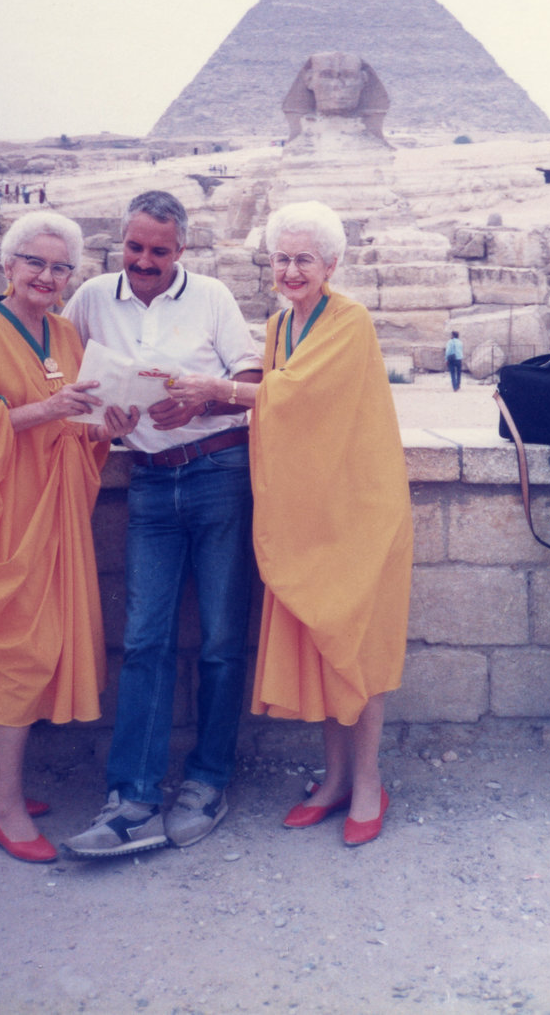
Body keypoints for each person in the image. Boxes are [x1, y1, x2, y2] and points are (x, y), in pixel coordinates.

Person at [169, 200, 414, 847]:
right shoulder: (280, 325)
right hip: (312, 511)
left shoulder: (349, 320)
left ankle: (368, 783)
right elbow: (284, 411)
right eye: (281, 258)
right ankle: (335, 780)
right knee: (324, 643)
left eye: (304, 259)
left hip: (359, 510)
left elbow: (298, 394)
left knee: (358, 646)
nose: (291, 270)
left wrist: (217, 390)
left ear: (331, 264)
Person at [0, 210, 137, 863]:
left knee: (16, 646)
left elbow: (77, 424)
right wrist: (47, 408)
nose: (47, 276)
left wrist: (109, 428)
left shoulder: (66, 334)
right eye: (36, 263)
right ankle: (6, 808)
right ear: (8, 266)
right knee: (19, 650)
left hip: (52, 512)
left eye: (60, 267)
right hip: (1, 515)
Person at [61, 190, 262, 857]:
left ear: (182, 249)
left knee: (222, 639)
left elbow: (252, 374)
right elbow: (60, 376)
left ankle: (207, 782)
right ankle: (132, 798)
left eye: (159, 250)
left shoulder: (213, 297)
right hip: (148, 481)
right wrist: (104, 420)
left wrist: (202, 401)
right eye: (135, 247)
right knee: (145, 639)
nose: (145, 261)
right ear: (121, 242)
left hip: (219, 474)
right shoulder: (91, 298)